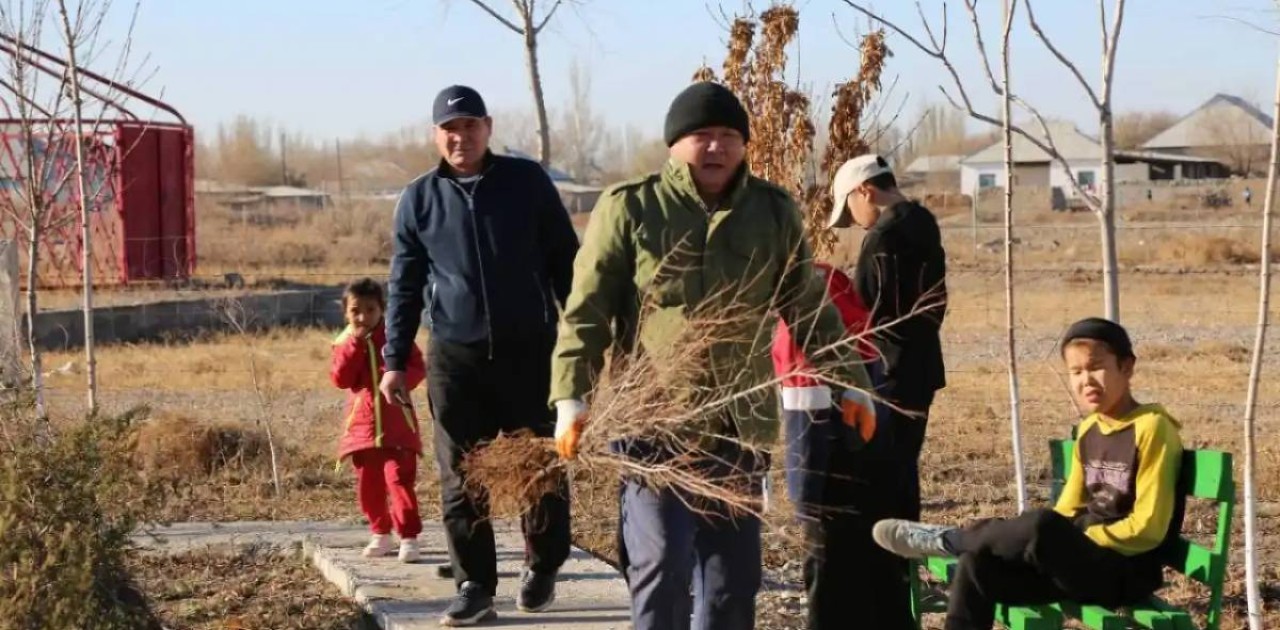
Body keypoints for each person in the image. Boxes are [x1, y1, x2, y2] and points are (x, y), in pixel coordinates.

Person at [550, 81, 878, 630]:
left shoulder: (771, 212)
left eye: (729, 136)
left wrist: (852, 381)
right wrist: (570, 395)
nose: (716, 148)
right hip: (656, 424)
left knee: (731, 582)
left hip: (736, 429)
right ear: (675, 144)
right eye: (701, 136)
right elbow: (587, 310)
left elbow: (807, 307)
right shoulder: (632, 208)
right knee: (662, 565)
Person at [380, 85, 580, 627]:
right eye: (450, 128)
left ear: (488, 128)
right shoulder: (418, 199)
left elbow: (566, 260)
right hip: (454, 356)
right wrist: (394, 358)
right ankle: (474, 585)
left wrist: (583, 340)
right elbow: (404, 284)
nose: (460, 136)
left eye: (469, 125)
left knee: (541, 463)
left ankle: (544, 564)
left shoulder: (526, 182)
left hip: (529, 350)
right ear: (435, 135)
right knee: (460, 473)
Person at [872, 317, 1184, 630]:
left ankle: (954, 539)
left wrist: (1078, 538)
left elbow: (1148, 528)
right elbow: (1067, 509)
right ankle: (963, 545)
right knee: (976, 565)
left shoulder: (1152, 427)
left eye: (1096, 367)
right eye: (1076, 372)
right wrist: (1060, 542)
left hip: (1123, 572)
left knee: (1043, 525)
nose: (1086, 380)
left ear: (1127, 367)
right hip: (1077, 564)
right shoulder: (1090, 429)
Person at [772, 261, 914, 629]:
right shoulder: (842, 295)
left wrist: (803, 504)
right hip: (877, 479)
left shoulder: (802, 322)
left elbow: (805, 419)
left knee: (831, 593)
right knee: (880, 584)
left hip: (828, 483)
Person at [828, 154, 948, 522]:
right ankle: (908, 563)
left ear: (865, 191)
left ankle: (888, 564)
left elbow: (866, 313)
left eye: (850, 211)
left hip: (886, 373)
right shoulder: (924, 222)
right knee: (904, 470)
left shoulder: (881, 238)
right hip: (922, 367)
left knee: (880, 476)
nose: (854, 223)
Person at [329, 278, 427, 563]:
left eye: (370, 310)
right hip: (362, 430)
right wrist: (355, 347)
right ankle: (380, 533)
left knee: (399, 481)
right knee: (368, 487)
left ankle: (408, 536)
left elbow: (417, 368)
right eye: (355, 311)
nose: (363, 317)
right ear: (345, 313)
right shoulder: (343, 343)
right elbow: (341, 378)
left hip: (398, 426)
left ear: (382, 310)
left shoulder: (397, 338)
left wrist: (398, 381)